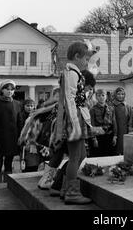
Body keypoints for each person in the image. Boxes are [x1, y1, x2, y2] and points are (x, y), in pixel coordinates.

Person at [50, 41, 104, 205]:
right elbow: (69, 99)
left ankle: (66, 189)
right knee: (75, 157)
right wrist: (74, 122)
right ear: (76, 57)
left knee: (81, 155)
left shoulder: (73, 72)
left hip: (78, 117)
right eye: (86, 59)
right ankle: (72, 193)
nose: (87, 63)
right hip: (75, 119)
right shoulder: (71, 73)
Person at [0, 80, 23, 182]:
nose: (10, 91)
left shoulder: (17, 104)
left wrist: (21, 137)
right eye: (7, 89)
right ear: (2, 90)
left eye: (12, 90)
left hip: (12, 138)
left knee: (9, 162)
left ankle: (8, 183)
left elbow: (20, 123)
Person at [89, 89, 117, 157]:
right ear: (96, 97)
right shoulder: (93, 109)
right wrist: (94, 138)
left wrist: (115, 136)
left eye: (103, 95)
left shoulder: (111, 108)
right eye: (99, 96)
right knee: (99, 155)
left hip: (109, 135)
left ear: (106, 96)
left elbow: (114, 123)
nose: (101, 97)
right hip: (99, 136)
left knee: (109, 155)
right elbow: (92, 125)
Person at [112, 87, 132, 155]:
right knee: (116, 149)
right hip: (116, 131)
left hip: (126, 131)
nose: (121, 96)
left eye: (122, 94)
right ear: (115, 95)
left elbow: (130, 118)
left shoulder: (127, 106)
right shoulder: (112, 106)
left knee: (125, 149)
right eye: (119, 94)